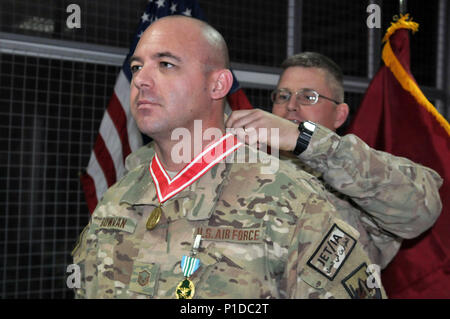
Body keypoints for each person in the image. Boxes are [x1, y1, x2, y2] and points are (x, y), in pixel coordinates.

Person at [72, 17, 386, 299]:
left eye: (165, 64)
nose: (140, 79)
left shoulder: (290, 201)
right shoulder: (118, 198)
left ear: (218, 84)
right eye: (137, 66)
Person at [224, 52, 443, 269]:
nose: (290, 105)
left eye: (308, 97)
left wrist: (304, 140)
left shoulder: (362, 170)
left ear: (340, 115)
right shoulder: (246, 165)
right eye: (283, 96)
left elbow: (420, 212)